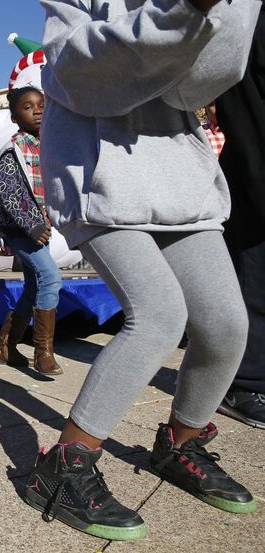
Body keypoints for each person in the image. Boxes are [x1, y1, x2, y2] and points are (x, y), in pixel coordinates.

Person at [23, 0, 260, 541]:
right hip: (95, 172)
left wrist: (213, 12)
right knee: (157, 315)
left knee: (225, 325)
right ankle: (63, 464)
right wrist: (181, 14)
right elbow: (75, 73)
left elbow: (196, 86)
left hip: (176, 174)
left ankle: (181, 443)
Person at [215, 6, 265, 429]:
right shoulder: (248, 19)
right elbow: (242, 105)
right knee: (254, 283)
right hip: (255, 178)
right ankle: (243, 382)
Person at [0, 86, 62, 376]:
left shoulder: (47, 145)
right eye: (28, 106)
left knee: (34, 286)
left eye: (41, 105)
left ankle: (5, 346)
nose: (37, 111)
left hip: (40, 227)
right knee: (50, 277)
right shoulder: (13, 148)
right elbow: (9, 193)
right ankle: (43, 352)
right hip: (21, 229)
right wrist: (31, 225)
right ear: (14, 115)